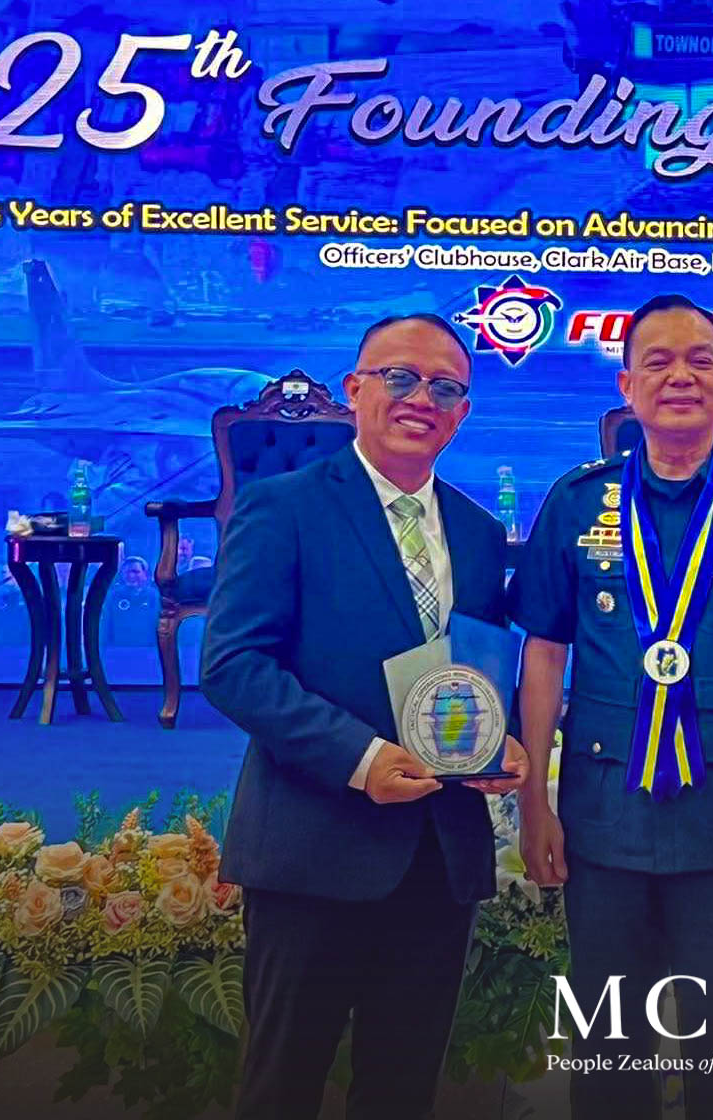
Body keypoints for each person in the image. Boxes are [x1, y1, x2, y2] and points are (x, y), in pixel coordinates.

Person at [511, 295, 713, 1120]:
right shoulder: (576, 502)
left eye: (699, 360)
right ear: (627, 386)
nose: (679, 376)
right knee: (608, 1065)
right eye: (656, 361)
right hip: (603, 821)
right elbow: (543, 654)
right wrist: (533, 800)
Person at [201, 313, 528, 1120]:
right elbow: (234, 666)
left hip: (438, 856)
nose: (421, 399)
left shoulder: (480, 534)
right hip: (312, 847)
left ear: (462, 413)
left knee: (401, 1092)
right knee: (280, 1089)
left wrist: (502, 740)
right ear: (354, 389)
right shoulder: (283, 507)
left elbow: (469, 672)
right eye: (400, 377)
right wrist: (360, 758)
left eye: (444, 387)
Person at [105, 557, 159, 647]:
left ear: (145, 574)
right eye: (127, 572)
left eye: (136, 572)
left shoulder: (155, 597)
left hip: (148, 648)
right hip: (119, 649)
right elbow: (106, 625)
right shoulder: (113, 596)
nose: (131, 576)